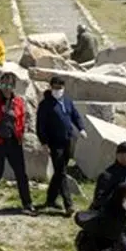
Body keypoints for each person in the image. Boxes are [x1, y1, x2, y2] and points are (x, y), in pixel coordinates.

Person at [0, 74, 35, 214]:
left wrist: (21, 134)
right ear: (0, 85)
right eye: (4, 84)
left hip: (14, 142)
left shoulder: (18, 101)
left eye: (9, 85)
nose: (6, 88)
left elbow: (21, 119)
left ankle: (27, 203)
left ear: (14, 86)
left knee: (21, 174)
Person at [36, 76, 86, 216]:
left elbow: (75, 115)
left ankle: (50, 199)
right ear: (51, 87)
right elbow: (40, 125)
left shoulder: (67, 101)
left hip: (67, 140)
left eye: (60, 87)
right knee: (62, 172)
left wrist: (81, 128)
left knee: (59, 172)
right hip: (54, 143)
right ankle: (68, 204)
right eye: (55, 87)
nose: (58, 90)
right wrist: (44, 142)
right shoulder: (45, 104)